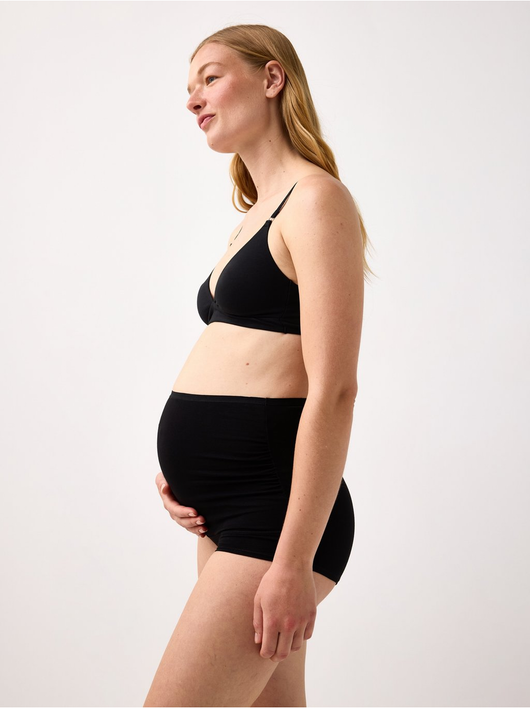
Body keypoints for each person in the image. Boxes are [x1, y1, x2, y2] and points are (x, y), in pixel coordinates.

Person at [144, 23, 374, 708]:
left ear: (272, 78)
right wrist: (188, 473)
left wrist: (294, 562)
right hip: (224, 513)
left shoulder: (316, 200)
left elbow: (334, 390)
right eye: (189, 87)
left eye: (210, 78)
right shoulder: (253, 215)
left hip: (272, 517)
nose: (193, 99)